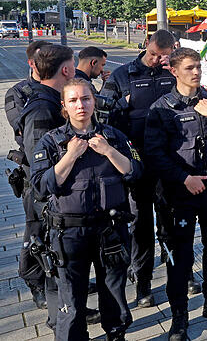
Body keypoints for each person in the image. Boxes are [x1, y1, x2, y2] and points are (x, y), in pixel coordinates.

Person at [31, 78, 142, 341]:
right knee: (71, 297)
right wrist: (70, 156)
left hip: (110, 230)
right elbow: (40, 186)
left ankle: (116, 334)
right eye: (73, 100)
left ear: (94, 101)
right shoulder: (51, 142)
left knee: (113, 292)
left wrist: (108, 151)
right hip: (69, 233)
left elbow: (136, 171)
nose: (80, 105)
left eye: (86, 98)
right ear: (64, 107)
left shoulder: (114, 136)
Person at [144, 48, 207, 341]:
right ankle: (179, 318)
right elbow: (154, 154)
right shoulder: (162, 109)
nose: (196, 72)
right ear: (174, 71)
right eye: (189, 68)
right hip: (180, 195)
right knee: (180, 258)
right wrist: (184, 178)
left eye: (198, 66)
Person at [99, 30, 180, 308]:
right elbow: (100, 114)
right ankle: (143, 281)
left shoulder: (174, 71)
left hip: (169, 160)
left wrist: (177, 72)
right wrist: (124, 104)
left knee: (172, 220)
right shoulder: (123, 75)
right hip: (136, 161)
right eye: (155, 54)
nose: (158, 60)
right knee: (140, 224)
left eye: (164, 55)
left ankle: (179, 273)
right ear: (147, 45)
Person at [16, 44, 81, 329]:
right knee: (52, 260)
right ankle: (60, 319)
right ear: (66, 70)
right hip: (48, 199)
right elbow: (40, 163)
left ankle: (67, 312)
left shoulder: (50, 99)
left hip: (56, 196)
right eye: (74, 66)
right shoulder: (43, 106)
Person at [5, 40, 49, 309]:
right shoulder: (18, 92)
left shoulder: (60, 88)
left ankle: (55, 282)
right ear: (33, 63)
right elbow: (23, 129)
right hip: (34, 172)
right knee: (36, 228)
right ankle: (35, 280)